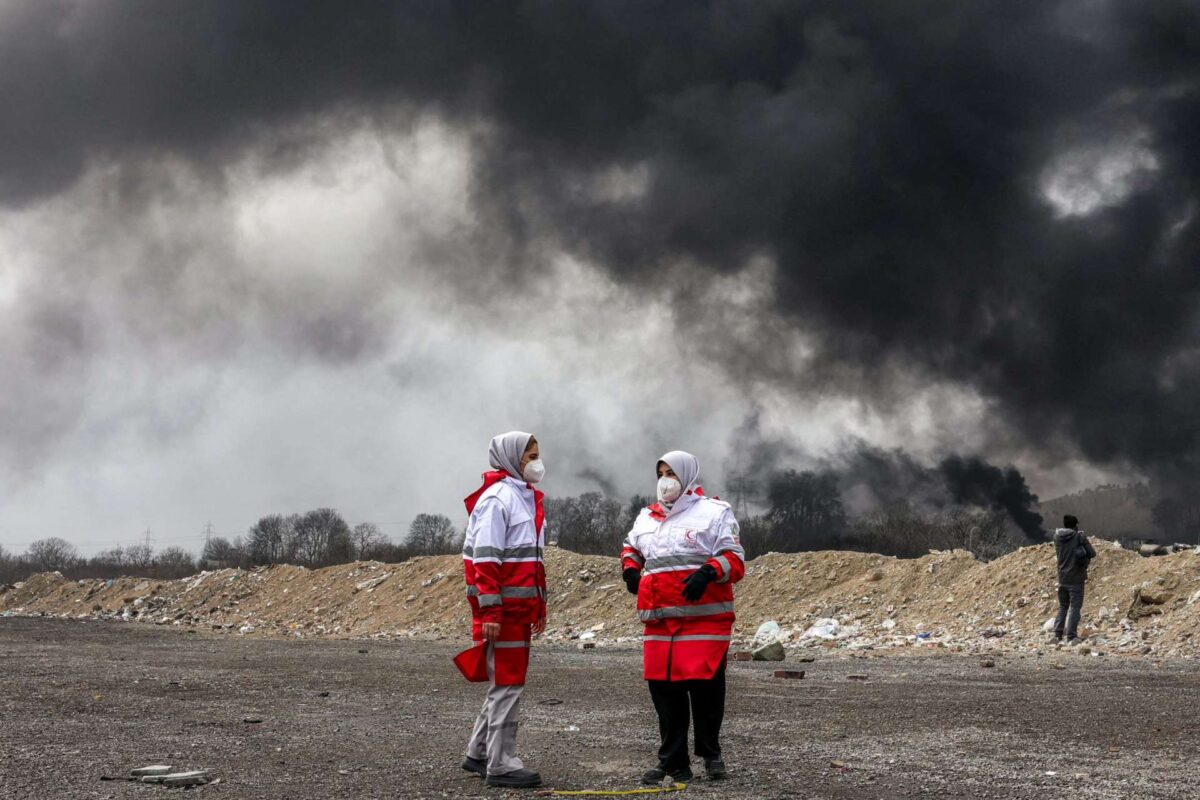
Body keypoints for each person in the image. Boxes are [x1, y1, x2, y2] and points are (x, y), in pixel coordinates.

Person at [620, 450, 745, 784]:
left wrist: (708, 571)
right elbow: (631, 547)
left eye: (672, 473)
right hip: (660, 621)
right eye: (661, 473)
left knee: (705, 689)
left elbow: (734, 558)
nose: (665, 480)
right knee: (665, 693)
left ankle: (711, 755)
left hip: (702, 620)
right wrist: (630, 568)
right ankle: (673, 762)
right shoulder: (646, 516)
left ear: (687, 475)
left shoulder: (715, 512)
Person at [460, 431, 547, 788]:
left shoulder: (520, 497)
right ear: (512, 458)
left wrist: (537, 607)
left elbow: (530, 562)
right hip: (505, 611)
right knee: (508, 684)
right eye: (530, 456)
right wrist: (490, 612)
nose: (537, 463)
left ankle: (479, 752)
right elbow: (486, 559)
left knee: (503, 682)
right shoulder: (499, 499)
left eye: (537, 454)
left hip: (517, 609)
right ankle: (501, 763)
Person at [1053, 514, 1095, 644]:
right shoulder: (1079, 537)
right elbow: (1092, 553)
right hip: (1076, 578)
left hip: (1062, 578)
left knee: (1063, 606)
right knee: (1075, 607)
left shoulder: (1057, 537)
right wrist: (1083, 540)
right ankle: (1071, 636)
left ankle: (1057, 634)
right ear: (1075, 525)